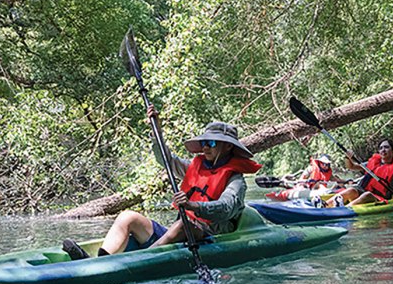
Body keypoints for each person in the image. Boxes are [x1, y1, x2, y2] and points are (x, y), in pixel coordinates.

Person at [62, 106, 262, 260]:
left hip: (208, 237)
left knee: (184, 224)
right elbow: (165, 159)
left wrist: (192, 205)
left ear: (227, 146)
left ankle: (140, 260)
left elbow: (225, 208)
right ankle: (101, 262)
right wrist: (156, 130)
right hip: (180, 231)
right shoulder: (196, 166)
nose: (205, 148)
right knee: (127, 216)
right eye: (203, 143)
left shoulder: (236, 180)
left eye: (210, 143)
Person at [327, 138, 393, 207]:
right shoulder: (372, 163)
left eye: (386, 147)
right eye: (381, 148)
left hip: (379, 198)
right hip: (363, 191)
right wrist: (347, 157)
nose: (383, 150)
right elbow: (351, 167)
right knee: (351, 190)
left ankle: (345, 208)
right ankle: (324, 205)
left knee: (367, 194)